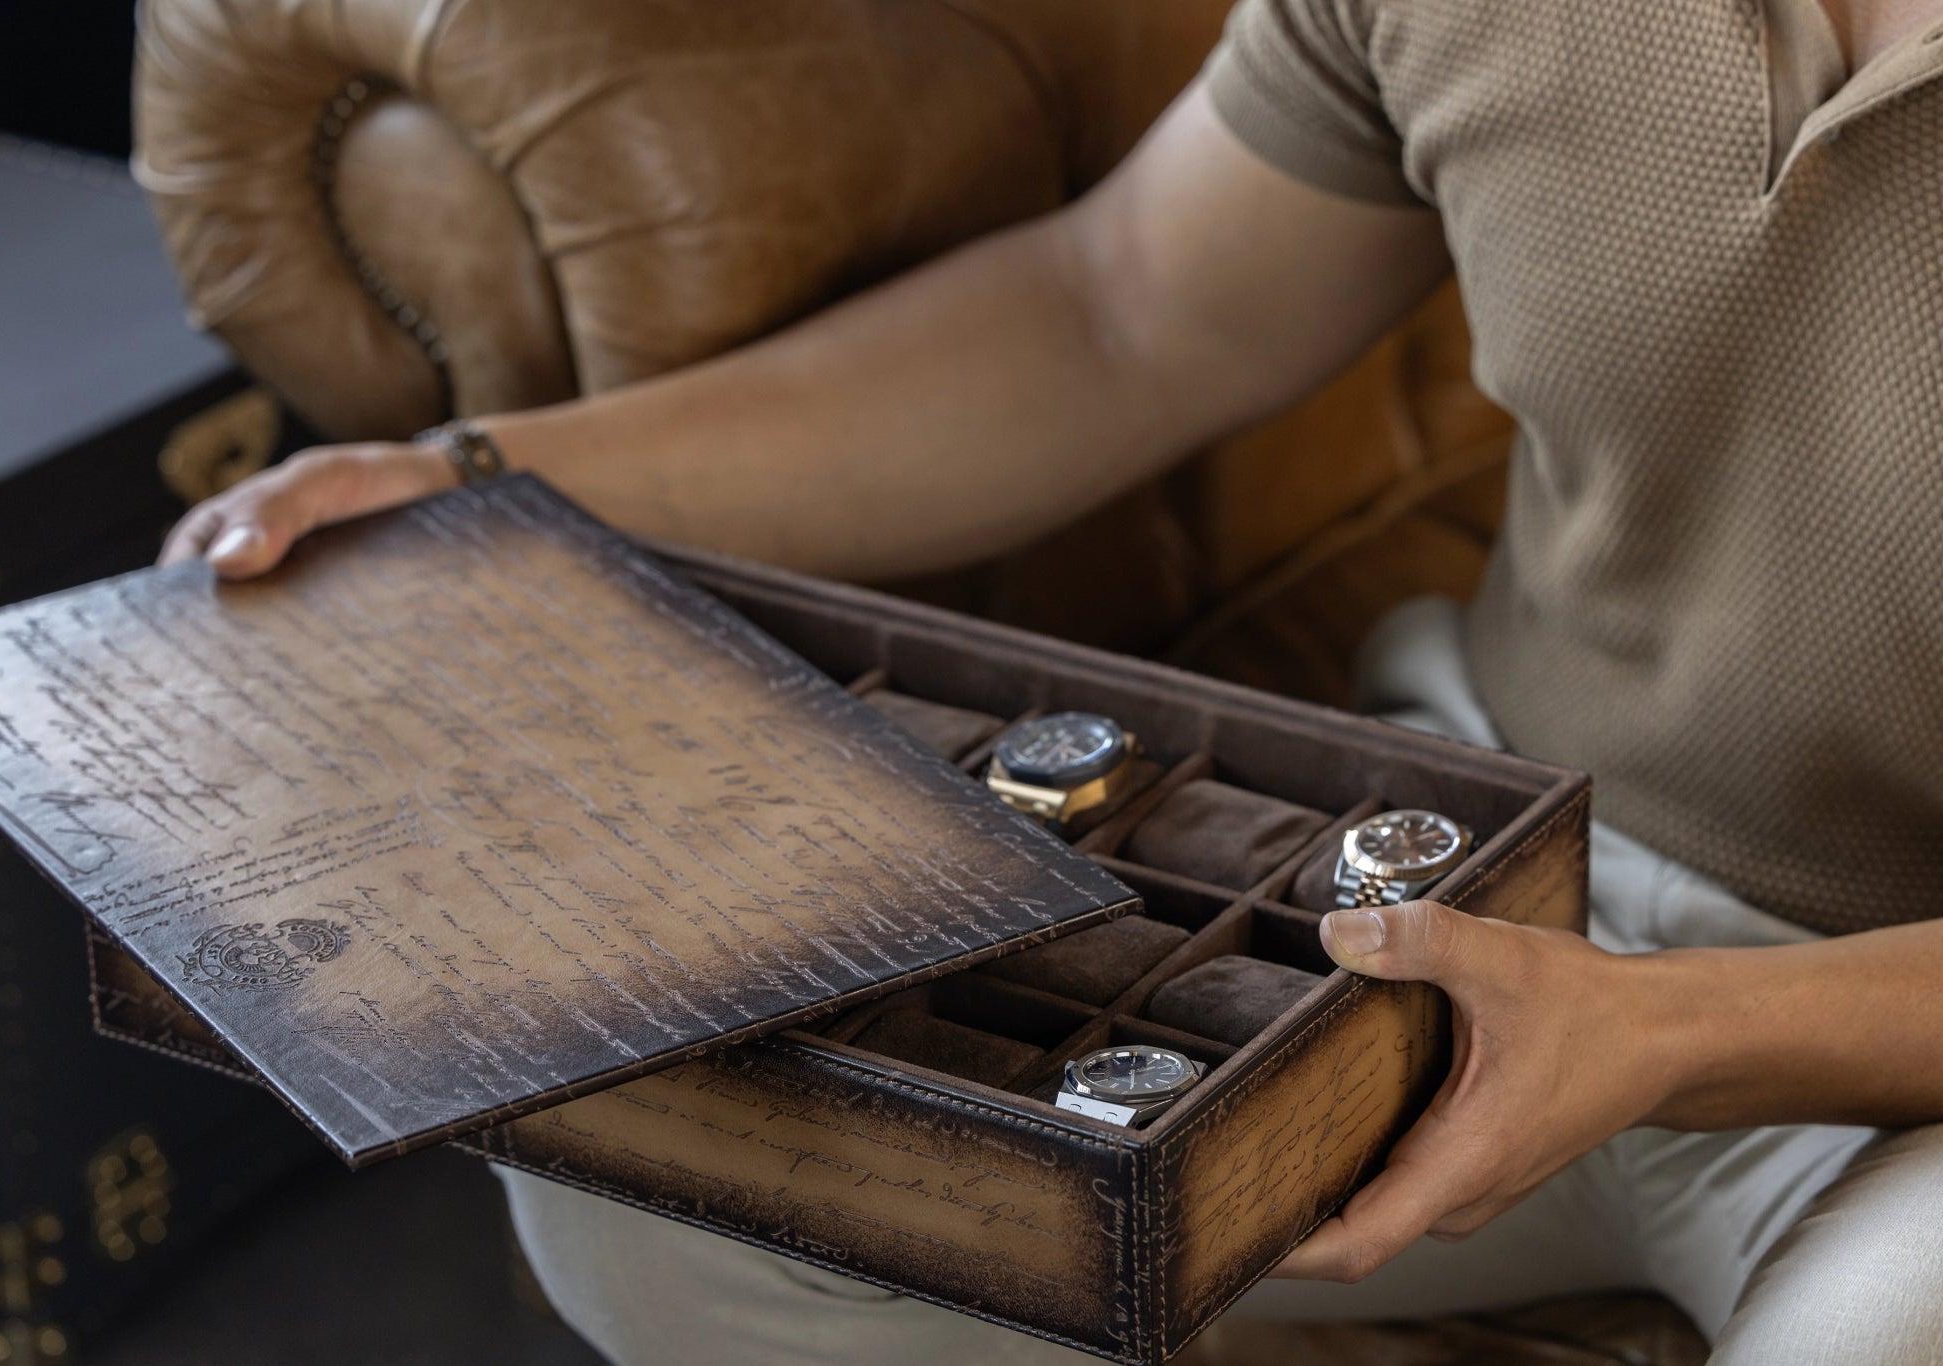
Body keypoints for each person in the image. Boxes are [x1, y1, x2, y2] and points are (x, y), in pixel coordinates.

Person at [160, 0, 1943, 1360]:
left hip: (1896, 1051)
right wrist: (490, 480)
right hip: (1479, 856)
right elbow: (1122, 309)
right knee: (657, 1204)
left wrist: (1674, 1036)